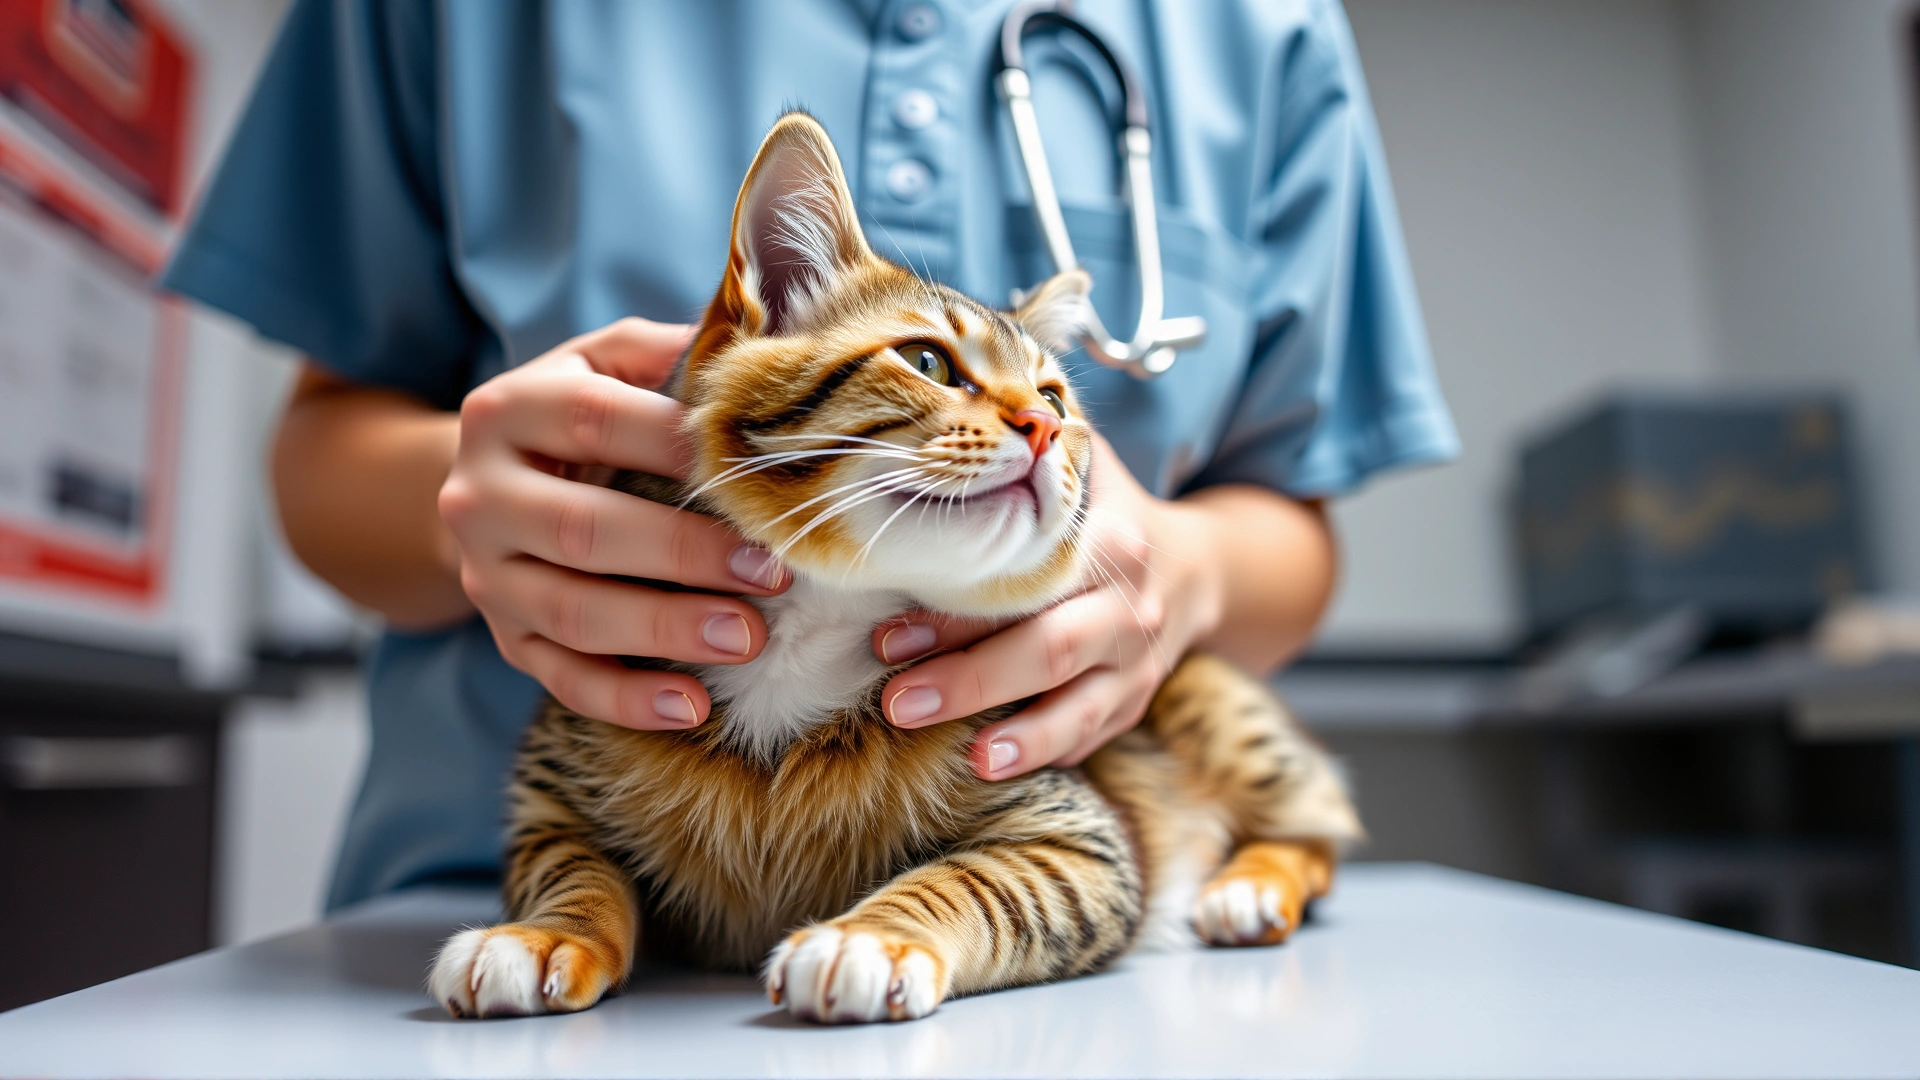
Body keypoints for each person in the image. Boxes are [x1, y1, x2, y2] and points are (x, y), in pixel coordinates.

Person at [164, 0, 1457, 910]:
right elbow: (325, 449)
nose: (1023, 422)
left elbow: (1292, 529)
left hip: (1026, 897)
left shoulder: (1262, 27)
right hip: (523, 897)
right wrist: (469, 511)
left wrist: (1184, 567)